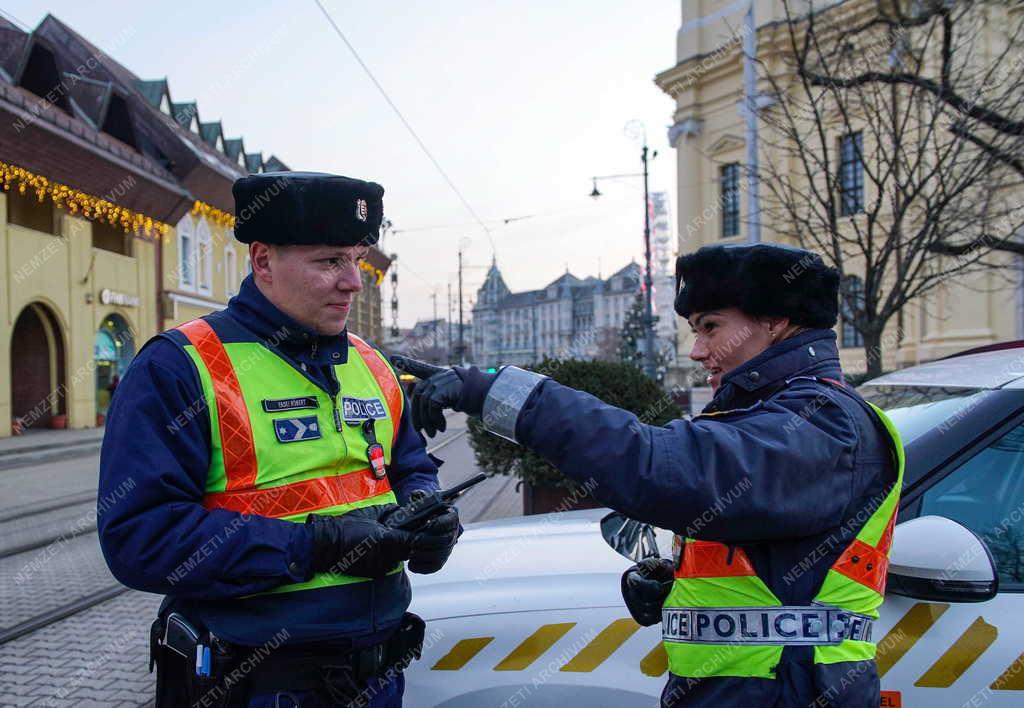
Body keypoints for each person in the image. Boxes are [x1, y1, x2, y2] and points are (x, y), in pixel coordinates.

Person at [395, 243, 903, 707]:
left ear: (774, 321)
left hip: (787, 690)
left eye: (710, 327)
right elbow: (772, 565)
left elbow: (659, 466)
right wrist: (680, 588)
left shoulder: (822, 421)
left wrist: (495, 391)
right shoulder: (780, 415)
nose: (697, 351)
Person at [98, 172, 460, 707]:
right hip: (255, 686)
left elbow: (409, 466)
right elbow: (139, 536)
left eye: (356, 259)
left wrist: (427, 514)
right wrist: (314, 546)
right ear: (263, 261)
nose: (353, 282)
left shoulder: (372, 364)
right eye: (329, 261)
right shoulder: (183, 367)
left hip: (379, 675)